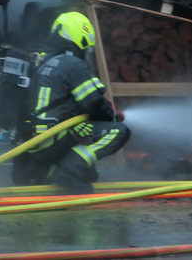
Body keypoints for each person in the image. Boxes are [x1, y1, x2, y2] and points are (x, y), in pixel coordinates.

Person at [11, 11, 130, 193]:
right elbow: (95, 104)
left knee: (89, 172)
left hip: (32, 142)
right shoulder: (73, 64)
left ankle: (44, 173)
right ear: (80, 38)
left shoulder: (42, 61)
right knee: (119, 131)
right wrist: (112, 117)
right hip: (52, 139)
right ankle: (69, 172)